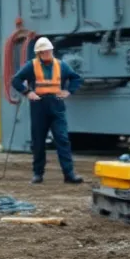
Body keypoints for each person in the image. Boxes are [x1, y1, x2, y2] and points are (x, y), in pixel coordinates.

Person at [11, 36, 84, 185]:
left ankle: (69, 174)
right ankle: (38, 173)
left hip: (57, 106)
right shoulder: (31, 66)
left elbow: (76, 78)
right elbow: (16, 80)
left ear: (52, 50)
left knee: (62, 139)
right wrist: (27, 92)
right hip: (39, 106)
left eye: (48, 51)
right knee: (38, 141)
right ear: (38, 53)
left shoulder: (61, 65)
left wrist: (68, 91)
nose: (46, 54)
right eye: (43, 52)